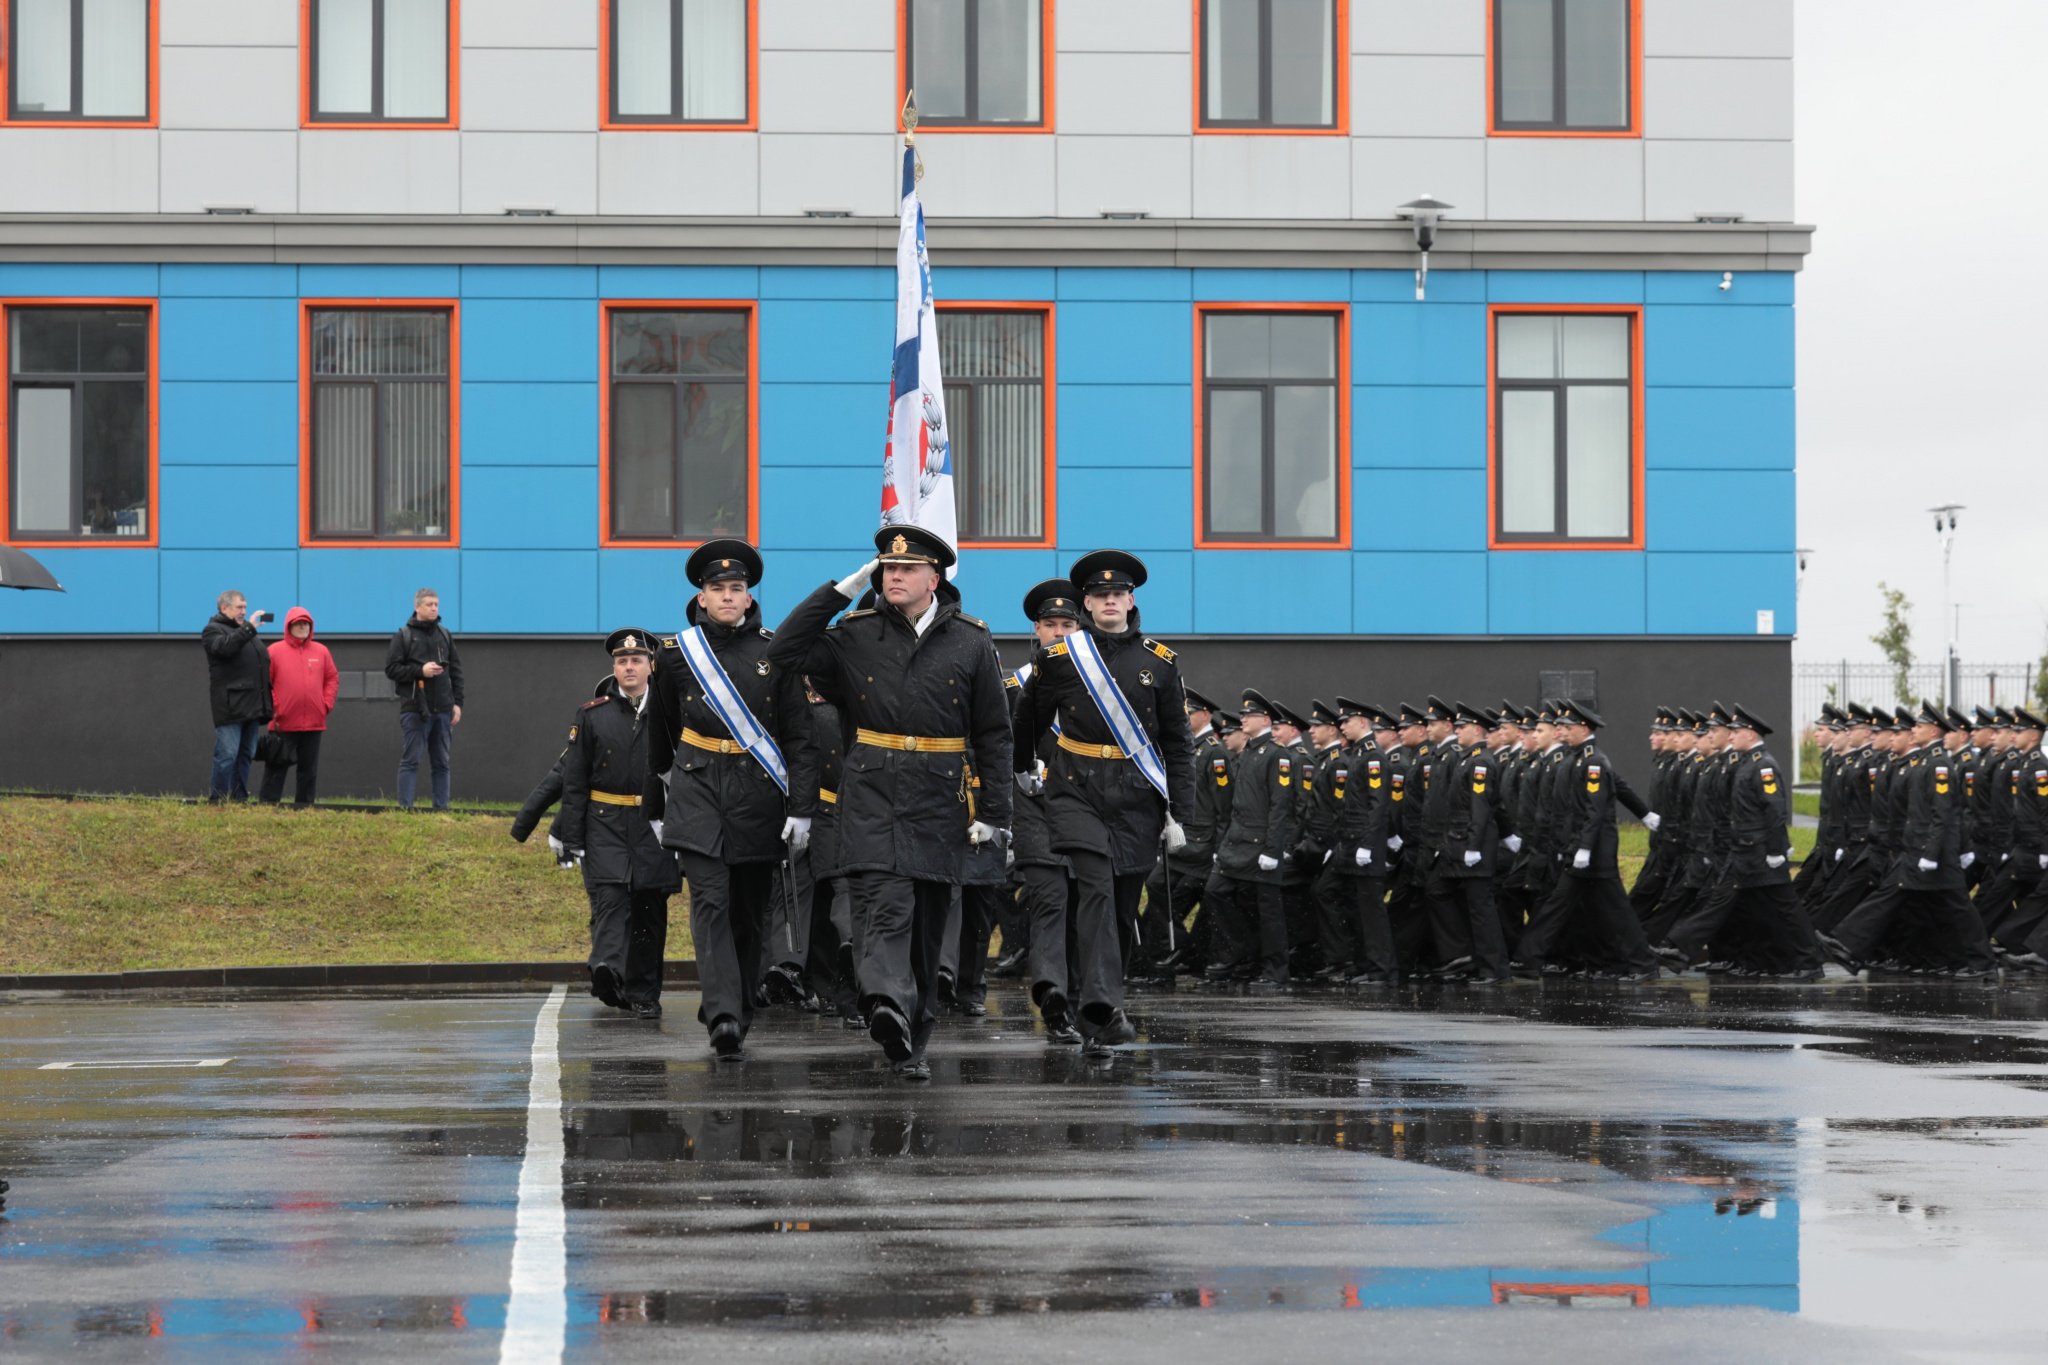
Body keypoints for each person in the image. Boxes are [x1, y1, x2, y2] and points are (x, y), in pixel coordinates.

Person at [767, 525, 1013, 1081]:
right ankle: (884, 1001)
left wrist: (997, 814)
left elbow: (995, 733)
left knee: (928, 921)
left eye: (906, 569)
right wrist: (839, 590)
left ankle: (912, 1034)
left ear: (935, 578)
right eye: (885, 568)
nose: (893, 576)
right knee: (883, 903)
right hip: (872, 789)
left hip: (940, 793)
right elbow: (783, 652)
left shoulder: (973, 640)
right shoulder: (855, 632)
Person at [1011, 550, 1194, 1056]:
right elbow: (1026, 718)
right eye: (1099, 595)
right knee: (1093, 887)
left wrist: (1181, 812)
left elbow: (1177, 743)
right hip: (1076, 791)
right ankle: (1101, 1006)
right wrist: (1025, 767)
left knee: (1119, 907)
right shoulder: (1060, 660)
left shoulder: (1159, 663)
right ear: (1086, 604)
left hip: (1137, 799)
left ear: (1130, 601)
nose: (1109, 601)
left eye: (1118, 594)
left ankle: (1098, 1016)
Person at [651, 540, 817, 1059]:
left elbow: (799, 737)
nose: (727, 596)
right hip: (698, 790)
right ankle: (722, 1013)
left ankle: (739, 1007)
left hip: (757, 796)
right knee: (710, 902)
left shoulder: (776, 651)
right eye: (717, 589)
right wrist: (654, 809)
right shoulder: (677, 654)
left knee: (748, 913)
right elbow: (658, 736)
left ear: (749, 598)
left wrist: (802, 808)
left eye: (736, 589)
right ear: (702, 598)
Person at [555, 629, 679, 1019]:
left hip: (654, 823)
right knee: (610, 898)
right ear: (614, 667)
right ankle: (607, 969)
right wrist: (570, 835)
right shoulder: (593, 714)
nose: (629, 667)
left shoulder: (671, 711)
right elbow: (574, 780)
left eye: (637, 660)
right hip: (605, 823)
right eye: (622, 661)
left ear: (651, 666)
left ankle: (644, 993)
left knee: (649, 908)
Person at [1005, 579, 1084, 1042]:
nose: (1058, 632)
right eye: (1050, 625)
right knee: (1050, 902)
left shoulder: (1100, 684)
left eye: (1067, 625)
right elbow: (995, 750)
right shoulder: (1014, 687)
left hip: (1087, 809)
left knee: (1084, 909)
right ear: (1036, 630)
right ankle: (1053, 994)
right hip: (1034, 810)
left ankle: (1080, 1002)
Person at [1205, 689, 1300, 988]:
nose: (1243, 719)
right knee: (1215, 891)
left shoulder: (1277, 755)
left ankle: (1276, 971)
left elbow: (1280, 805)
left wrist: (1274, 849)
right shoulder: (1246, 753)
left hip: (1261, 847)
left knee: (1269, 910)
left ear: (1266, 720)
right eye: (1243, 715)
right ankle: (1242, 953)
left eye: (1250, 715)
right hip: (1237, 844)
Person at [384, 587, 464, 810]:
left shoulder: (445, 635)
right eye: (429, 604)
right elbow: (391, 669)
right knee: (411, 760)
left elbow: (456, 672)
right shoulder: (403, 636)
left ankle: (441, 809)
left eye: (436, 604)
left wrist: (458, 704)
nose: (434, 608)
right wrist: (420, 671)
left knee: (442, 763)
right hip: (415, 709)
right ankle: (405, 808)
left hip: (444, 709)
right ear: (417, 606)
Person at [258, 607, 338, 807]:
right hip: (282, 723)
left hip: (314, 723)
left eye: (306, 623)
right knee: (276, 767)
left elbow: (332, 679)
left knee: (308, 770)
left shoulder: (321, 651)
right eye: (299, 623)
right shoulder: (274, 651)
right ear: (289, 626)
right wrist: (276, 709)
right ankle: (268, 805)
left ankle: (305, 806)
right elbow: (265, 683)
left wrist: (325, 705)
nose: (303, 627)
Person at [201, 590, 272, 803]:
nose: (244, 611)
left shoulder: (245, 633)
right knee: (227, 755)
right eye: (239, 607)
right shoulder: (212, 630)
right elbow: (225, 648)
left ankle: (238, 797)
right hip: (231, 705)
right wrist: (249, 628)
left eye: (245, 607)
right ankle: (219, 799)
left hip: (251, 705)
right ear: (224, 608)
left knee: (246, 754)